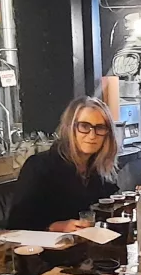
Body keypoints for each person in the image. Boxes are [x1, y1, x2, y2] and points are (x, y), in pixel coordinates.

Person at [7, 96, 119, 232]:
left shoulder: (99, 172)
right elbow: (15, 225)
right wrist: (54, 226)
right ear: (70, 128)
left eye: (100, 128)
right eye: (84, 126)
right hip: (48, 251)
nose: (92, 135)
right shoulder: (39, 167)